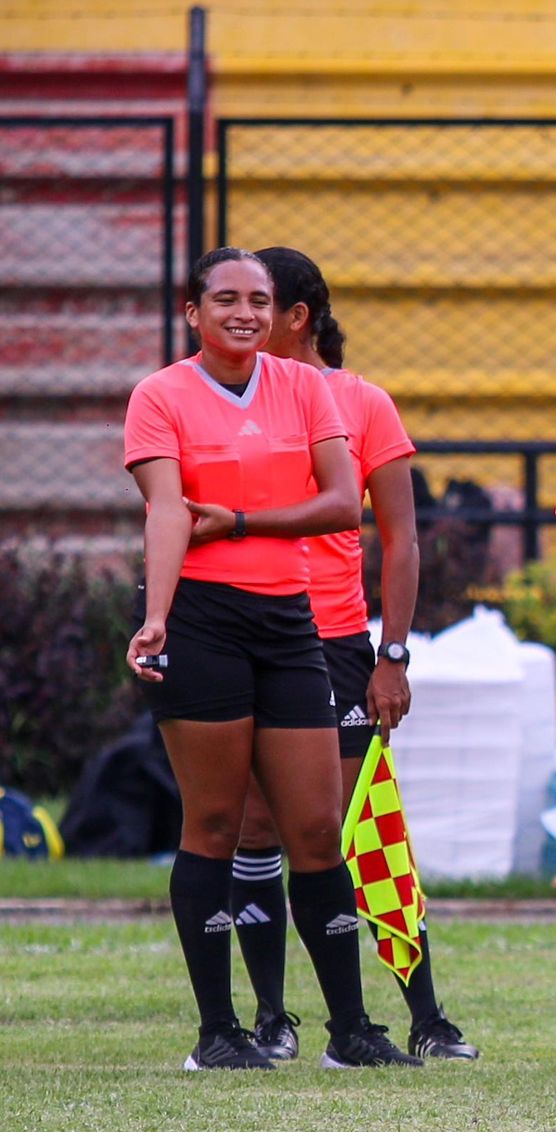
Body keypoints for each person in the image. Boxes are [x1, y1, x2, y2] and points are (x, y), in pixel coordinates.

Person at [124, 247, 419, 1070]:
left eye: (258, 298)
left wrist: (246, 521)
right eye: (226, 298)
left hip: (293, 623)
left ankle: (351, 1031)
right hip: (203, 622)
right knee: (215, 823)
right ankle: (220, 1032)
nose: (245, 311)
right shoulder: (160, 396)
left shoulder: (305, 386)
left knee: (319, 827)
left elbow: (338, 503)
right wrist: (155, 617)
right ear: (194, 313)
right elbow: (167, 512)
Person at [221, 247, 478, 1064]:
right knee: (258, 824)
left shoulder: (361, 403)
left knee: (356, 822)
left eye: (262, 304)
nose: (246, 320)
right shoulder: (228, 401)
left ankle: (426, 1016)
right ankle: (272, 1019)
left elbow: (401, 541)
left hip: (333, 641)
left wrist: (392, 653)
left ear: (296, 317)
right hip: (245, 626)